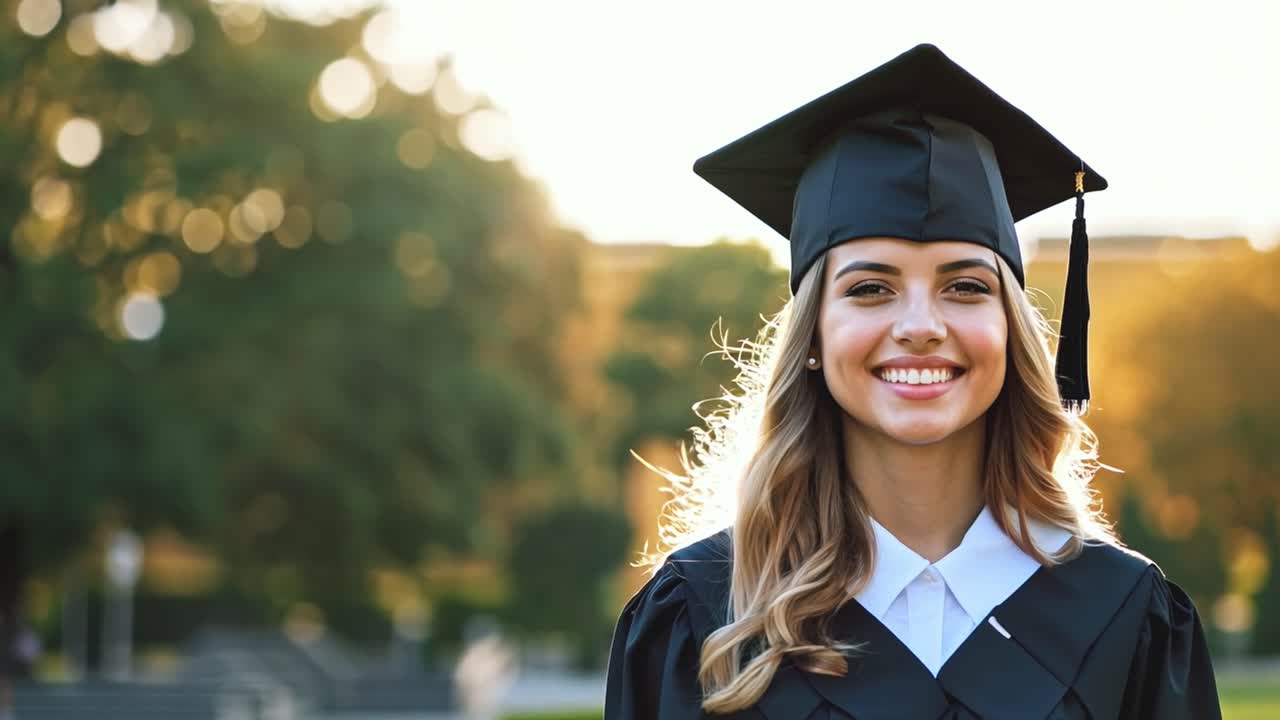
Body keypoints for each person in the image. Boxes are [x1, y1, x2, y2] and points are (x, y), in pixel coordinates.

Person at [603, 44, 1222, 719]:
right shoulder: (700, 616)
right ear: (812, 336)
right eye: (870, 288)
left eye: (965, 286)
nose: (921, 325)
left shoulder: (1125, 618)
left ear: (1012, 329)